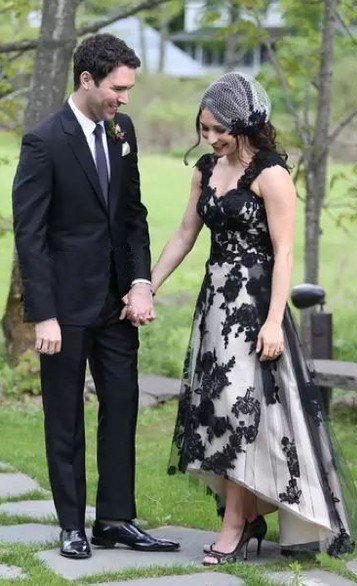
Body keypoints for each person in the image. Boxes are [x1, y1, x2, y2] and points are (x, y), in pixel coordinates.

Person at [144, 72, 357, 565]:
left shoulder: (272, 175)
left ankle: (235, 524)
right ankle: (245, 514)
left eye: (218, 129)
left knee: (242, 411)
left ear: (245, 125)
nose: (210, 139)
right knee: (218, 408)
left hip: (255, 307)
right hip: (215, 306)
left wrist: (271, 322)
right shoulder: (204, 170)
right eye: (203, 129)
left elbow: (284, 252)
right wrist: (149, 284)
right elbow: (184, 233)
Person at [12, 33, 179, 559]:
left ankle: (113, 519)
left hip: (116, 306)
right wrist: (43, 315)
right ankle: (71, 526)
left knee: (123, 405)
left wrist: (139, 282)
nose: (123, 99)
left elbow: (133, 214)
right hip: (63, 310)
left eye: (127, 89)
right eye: (117, 88)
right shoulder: (44, 141)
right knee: (65, 416)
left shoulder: (121, 130)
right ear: (86, 80)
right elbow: (30, 234)